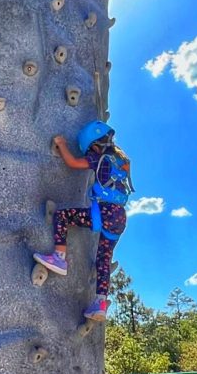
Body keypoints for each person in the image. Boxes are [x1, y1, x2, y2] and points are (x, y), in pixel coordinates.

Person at [34, 121, 134, 323]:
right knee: (103, 259)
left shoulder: (97, 158)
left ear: (93, 144)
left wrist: (61, 144)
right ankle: (100, 303)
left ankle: (59, 257)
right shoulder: (122, 161)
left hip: (104, 212)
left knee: (63, 216)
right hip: (120, 217)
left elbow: (72, 162)